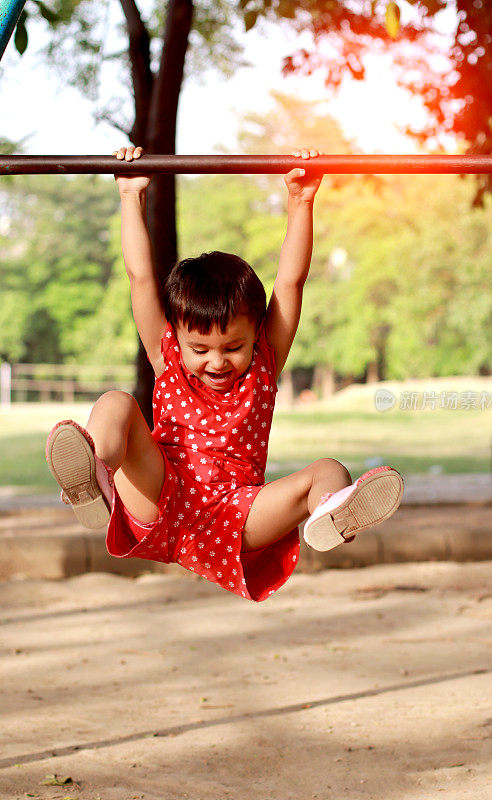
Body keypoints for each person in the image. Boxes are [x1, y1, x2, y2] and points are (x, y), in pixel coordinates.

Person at [46, 145, 404, 602]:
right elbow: (140, 278)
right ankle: (93, 479)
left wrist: (301, 200)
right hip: (160, 493)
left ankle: (332, 515)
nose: (217, 361)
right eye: (200, 349)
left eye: (233, 347)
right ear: (178, 338)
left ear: (255, 334)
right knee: (115, 403)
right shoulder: (168, 358)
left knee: (329, 470)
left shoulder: (264, 362)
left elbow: (290, 282)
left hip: (238, 514)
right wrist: (131, 196)